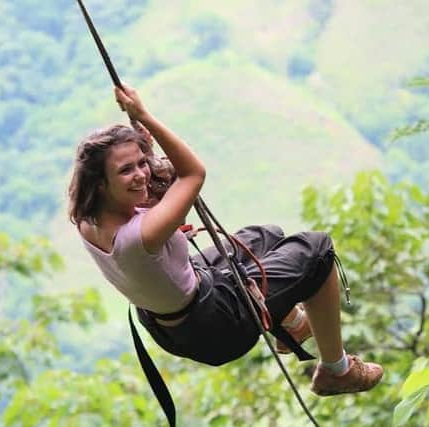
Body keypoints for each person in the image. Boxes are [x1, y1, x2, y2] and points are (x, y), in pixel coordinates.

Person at [68, 83, 383, 396]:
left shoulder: (89, 218)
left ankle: (294, 323)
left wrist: (143, 149)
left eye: (140, 163)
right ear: (100, 184)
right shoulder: (140, 236)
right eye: (126, 170)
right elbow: (193, 174)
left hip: (168, 320)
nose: (142, 175)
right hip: (215, 324)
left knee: (265, 237)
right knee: (318, 251)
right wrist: (145, 116)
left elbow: (156, 186)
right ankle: (337, 370)